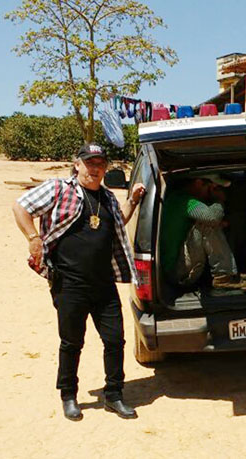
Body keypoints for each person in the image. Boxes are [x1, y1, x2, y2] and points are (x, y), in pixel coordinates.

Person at [12, 143, 145, 422]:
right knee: (72, 342)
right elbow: (20, 206)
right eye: (89, 163)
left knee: (115, 340)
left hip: (104, 284)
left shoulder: (107, 197)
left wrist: (132, 200)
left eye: (100, 164)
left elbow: (118, 221)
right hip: (69, 284)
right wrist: (33, 238)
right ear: (77, 165)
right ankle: (68, 395)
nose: (95, 169)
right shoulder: (59, 189)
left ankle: (114, 395)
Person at [161, 174, 246, 290]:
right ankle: (224, 276)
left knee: (214, 222)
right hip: (177, 271)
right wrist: (218, 200)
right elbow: (211, 217)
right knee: (207, 223)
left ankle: (229, 273)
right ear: (199, 183)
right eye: (212, 188)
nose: (210, 193)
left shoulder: (175, 198)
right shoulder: (183, 200)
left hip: (178, 267)